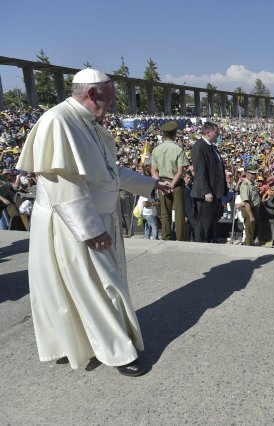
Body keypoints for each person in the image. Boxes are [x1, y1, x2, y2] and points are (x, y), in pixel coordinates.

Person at [16, 68, 172, 376]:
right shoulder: (58, 121)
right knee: (98, 286)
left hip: (97, 217)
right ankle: (117, 351)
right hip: (73, 223)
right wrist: (91, 229)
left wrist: (150, 185)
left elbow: (110, 172)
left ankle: (84, 342)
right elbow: (63, 183)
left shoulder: (88, 122)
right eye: (111, 97)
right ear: (94, 94)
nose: (113, 104)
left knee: (91, 287)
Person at [151, 121, 189, 241]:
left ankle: (166, 237)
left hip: (162, 181)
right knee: (179, 213)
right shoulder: (178, 149)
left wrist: (160, 184)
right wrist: (172, 185)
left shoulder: (156, 150)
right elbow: (180, 171)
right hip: (176, 184)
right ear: (175, 134)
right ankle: (181, 239)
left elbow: (153, 170)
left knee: (164, 213)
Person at [190, 122, 228, 243]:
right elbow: (200, 172)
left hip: (216, 192)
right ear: (208, 132)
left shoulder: (213, 147)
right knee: (204, 225)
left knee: (213, 224)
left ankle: (211, 245)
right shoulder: (199, 147)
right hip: (206, 194)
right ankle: (201, 249)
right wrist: (206, 191)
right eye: (216, 133)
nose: (218, 135)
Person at [239, 166, 261, 246]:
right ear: (247, 173)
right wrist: (251, 215)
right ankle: (249, 249)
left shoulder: (251, 184)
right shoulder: (245, 185)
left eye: (255, 174)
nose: (254, 175)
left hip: (254, 209)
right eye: (252, 174)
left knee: (255, 230)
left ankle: (247, 245)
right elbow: (246, 202)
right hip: (249, 210)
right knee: (250, 233)